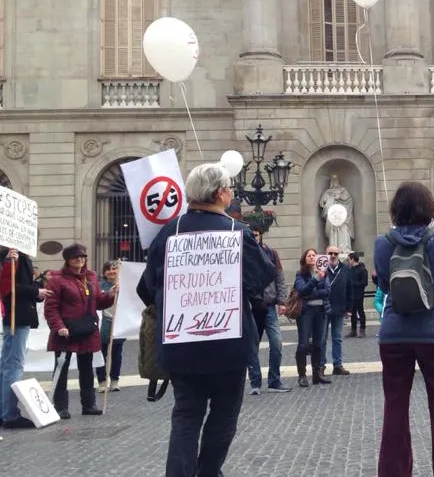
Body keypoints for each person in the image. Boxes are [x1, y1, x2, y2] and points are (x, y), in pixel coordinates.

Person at [138, 162, 277, 477]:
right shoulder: (236, 231)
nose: (231, 192)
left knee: (186, 415)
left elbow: (147, 287)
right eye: (229, 187)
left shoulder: (168, 232)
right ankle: (208, 471)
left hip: (181, 343)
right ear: (219, 193)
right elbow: (261, 278)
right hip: (227, 345)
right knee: (224, 415)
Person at [374, 182, 434, 477]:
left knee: (395, 409)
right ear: (429, 208)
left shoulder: (382, 242)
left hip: (394, 333)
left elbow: (385, 284)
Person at [44, 243, 117, 419]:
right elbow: (51, 308)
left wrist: (110, 295)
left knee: (86, 367)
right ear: (68, 260)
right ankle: (60, 406)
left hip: (87, 329)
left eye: (82, 257)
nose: (80, 260)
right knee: (61, 369)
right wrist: (58, 326)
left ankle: (89, 405)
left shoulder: (91, 277)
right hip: (66, 330)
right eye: (76, 257)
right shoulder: (57, 279)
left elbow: (98, 302)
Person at [0, 247, 51, 428]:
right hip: (16, 314)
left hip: (18, 313)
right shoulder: (10, 256)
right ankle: (9, 414)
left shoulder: (18, 256)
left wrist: (37, 292)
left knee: (7, 363)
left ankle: (4, 410)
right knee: (13, 364)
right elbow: (9, 287)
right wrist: (36, 292)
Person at [247, 226, 290, 395]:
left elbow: (279, 278)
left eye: (256, 235)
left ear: (261, 235)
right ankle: (255, 382)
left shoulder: (271, 253)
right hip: (252, 307)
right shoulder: (245, 254)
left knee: (277, 343)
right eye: (251, 235)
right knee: (252, 346)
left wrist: (282, 301)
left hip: (270, 305)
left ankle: (274, 380)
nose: (254, 238)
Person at [295, 248, 332, 387]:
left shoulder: (325, 273)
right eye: (309, 255)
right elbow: (302, 291)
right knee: (303, 343)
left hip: (320, 311)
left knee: (318, 344)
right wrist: (316, 279)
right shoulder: (300, 274)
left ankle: (317, 375)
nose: (311, 257)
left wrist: (312, 292)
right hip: (306, 312)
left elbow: (327, 291)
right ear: (305, 259)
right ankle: (302, 375)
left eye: (314, 255)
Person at [96, 260, 125, 392]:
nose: (112, 271)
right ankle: (102, 381)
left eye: (114, 269)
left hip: (119, 321)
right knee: (100, 353)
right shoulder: (99, 285)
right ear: (104, 272)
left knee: (117, 353)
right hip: (104, 322)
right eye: (109, 269)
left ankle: (115, 380)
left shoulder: (124, 285)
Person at [324, 246, 351, 376]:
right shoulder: (321, 268)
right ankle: (320, 365)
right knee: (322, 338)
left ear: (339, 255)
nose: (333, 256)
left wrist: (349, 308)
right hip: (323, 308)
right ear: (326, 254)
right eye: (330, 253)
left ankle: (338, 365)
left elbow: (349, 288)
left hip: (340, 308)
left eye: (335, 253)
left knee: (337, 338)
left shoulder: (345, 269)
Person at [346, 252, 369, 338]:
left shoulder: (362, 270)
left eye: (348, 260)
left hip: (359, 294)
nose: (347, 261)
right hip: (351, 294)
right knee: (352, 312)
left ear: (353, 259)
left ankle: (362, 330)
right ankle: (353, 330)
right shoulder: (349, 269)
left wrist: (352, 283)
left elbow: (364, 283)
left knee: (360, 311)